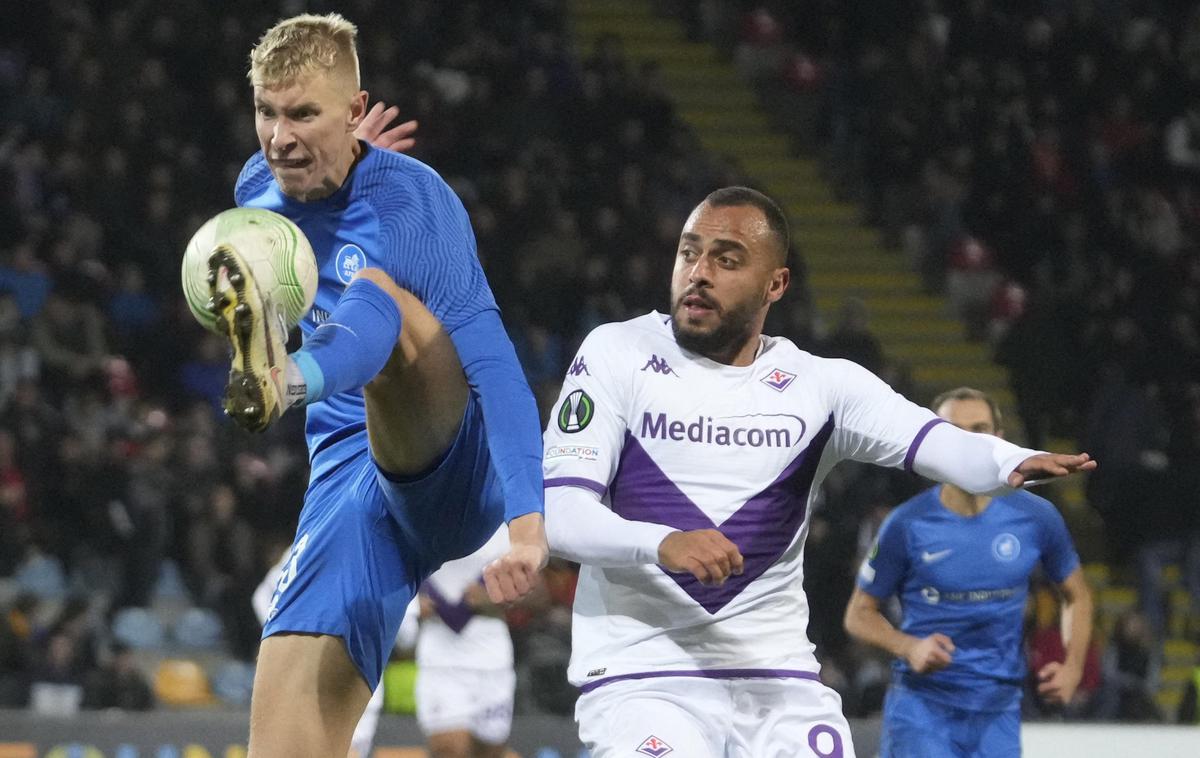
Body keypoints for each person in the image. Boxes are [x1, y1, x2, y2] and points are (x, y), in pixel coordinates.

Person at [517, 186, 1095, 757]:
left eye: (727, 259)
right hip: (643, 675)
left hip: (777, 681)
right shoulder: (616, 353)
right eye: (689, 252)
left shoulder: (821, 385)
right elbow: (564, 517)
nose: (698, 272)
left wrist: (1009, 459)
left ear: (776, 284)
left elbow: (930, 438)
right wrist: (663, 542)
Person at [212, 14, 546, 757]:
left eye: (304, 115)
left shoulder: (418, 208)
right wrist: (343, 178)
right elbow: (332, 210)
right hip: (347, 482)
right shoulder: (256, 191)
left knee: (380, 296)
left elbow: (494, 364)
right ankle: (287, 376)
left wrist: (528, 522)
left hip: (451, 465)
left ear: (356, 112)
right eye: (267, 111)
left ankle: (286, 378)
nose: (279, 137)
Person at [844, 387, 1094, 757]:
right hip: (922, 708)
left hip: (999, 711)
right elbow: (858, 615)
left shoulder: (1037, 516)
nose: (968, 442)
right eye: (953, 432)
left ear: (1000, 439)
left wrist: (1073, 668)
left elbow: (1078, 595)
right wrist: (908, 646)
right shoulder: (906, 524)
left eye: (979, 430)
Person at [414, 528, 516, 758]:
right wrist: (411, 603)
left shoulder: (506, 518)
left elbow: (538, 595)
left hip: (492, 657)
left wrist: (501, 596)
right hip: (441, 659)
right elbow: (392, 563)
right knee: (449, 750)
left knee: (490, 752)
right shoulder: (419, 509)